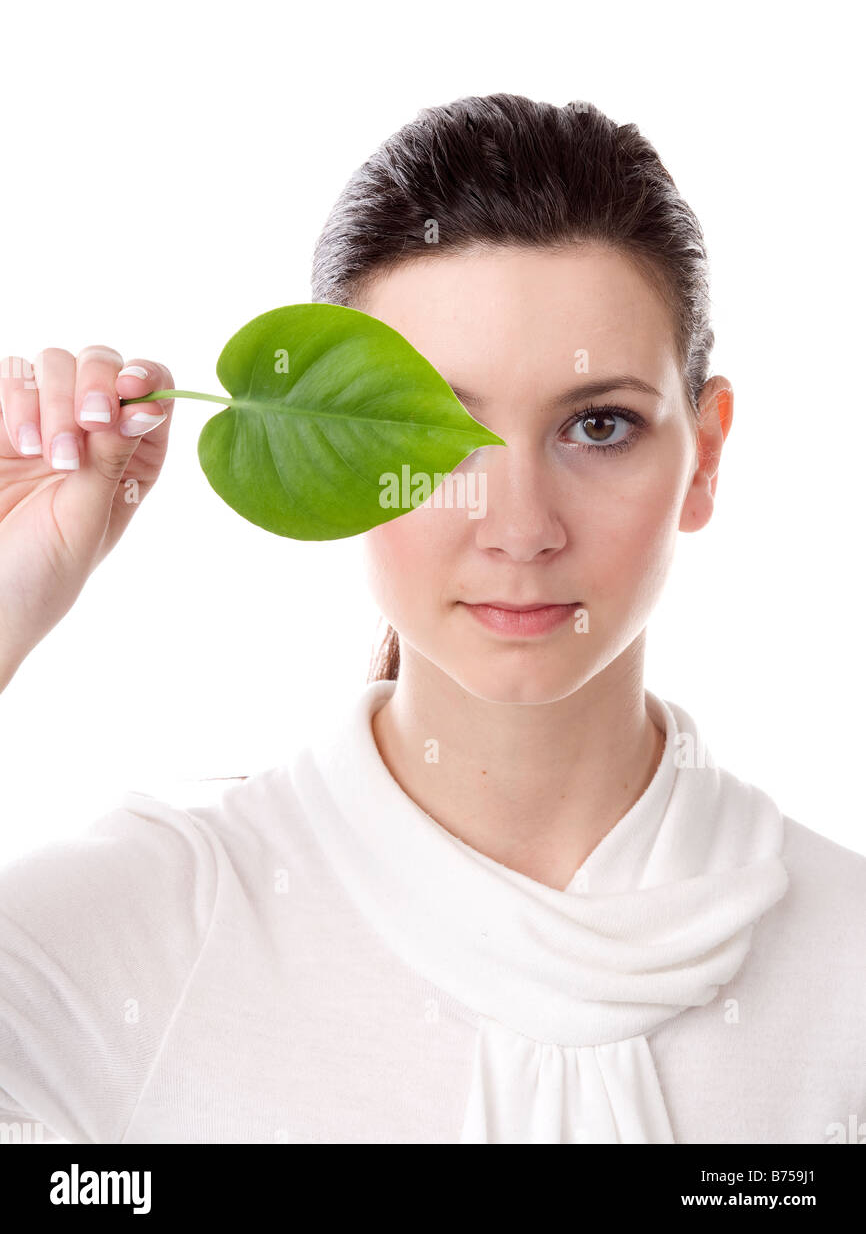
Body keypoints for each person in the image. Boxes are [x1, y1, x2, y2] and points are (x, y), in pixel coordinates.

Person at [0, 94, 862, 1145]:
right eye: (437, 434)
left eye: (599, 425)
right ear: (333, 465)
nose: (518, 526)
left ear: (705, 455)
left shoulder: (844, 965)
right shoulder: (138, 929)